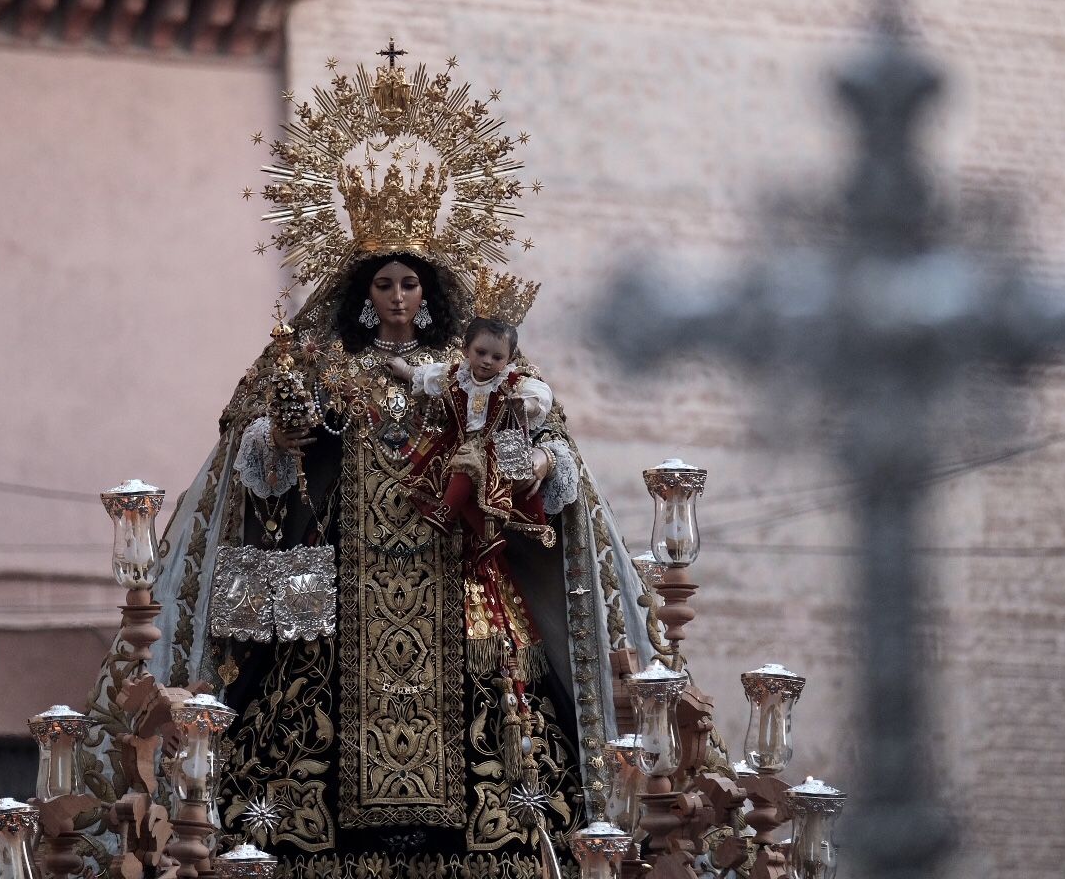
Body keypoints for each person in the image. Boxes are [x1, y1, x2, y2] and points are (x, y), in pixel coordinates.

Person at [82, 50, 656, 879]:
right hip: (341, 603)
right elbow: (257, 464)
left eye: (410, 284)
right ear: (364, 289)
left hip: (460, 592)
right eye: (384, 282)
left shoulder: (481, 372)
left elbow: (551, 471)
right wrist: (280, 433)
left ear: (429, 292)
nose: (397, 297)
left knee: (513, 772)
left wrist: (523, 444)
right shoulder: (321, 367)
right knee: (286, 753)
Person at [391, 316, 559, 560]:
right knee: (458, 477)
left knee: (467, 468)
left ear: (509, 359)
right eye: (481, 352)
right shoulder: (455, 376)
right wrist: (405, 370)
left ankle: (444, 514)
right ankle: (488, 536)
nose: (487, 361)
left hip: (495, 449)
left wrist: (524, 405)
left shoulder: (513, 383)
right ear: (465, 350)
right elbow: (425, 377)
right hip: (457, 442)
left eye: (497, 357)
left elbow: (540, 399)